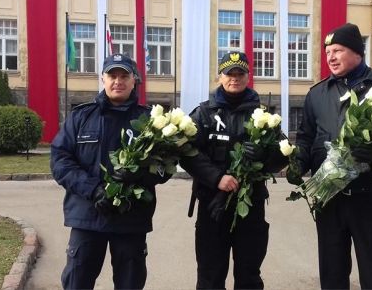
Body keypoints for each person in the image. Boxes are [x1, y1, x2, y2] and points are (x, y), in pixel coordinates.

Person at [294, 23, 372, 290]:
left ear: (357, 52)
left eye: (337, 50)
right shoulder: (317, 94)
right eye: (328, 51)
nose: (330, 57)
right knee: (332, 274)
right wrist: (298, 163)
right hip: (329, 200)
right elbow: (305, 137)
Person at [51, 53, 170, 289]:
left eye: (124, 75)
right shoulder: (81, 117)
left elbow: (165, 167)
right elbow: (60, 161)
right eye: (112, 75)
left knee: (129, 284)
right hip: (87, 216)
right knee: (77, 282)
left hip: (131, 219)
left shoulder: (150, 121)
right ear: (103, 79)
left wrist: (139, 175)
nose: (118, 81)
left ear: (134, 80)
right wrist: (93, 190)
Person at [180, 52, 288, 289]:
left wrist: (265, 156)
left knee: (249, 275)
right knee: (210, 275)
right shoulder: (204, 113)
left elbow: (283, 154)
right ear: (220, 77)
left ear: (248, 76)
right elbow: (186, 152)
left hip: (250, 205)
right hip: (212, 205)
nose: (235, 78)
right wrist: (216, 177)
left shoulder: (264, 116)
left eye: (240, 73)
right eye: (230, 73)